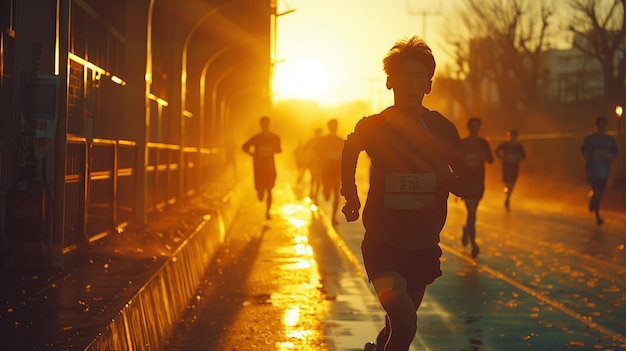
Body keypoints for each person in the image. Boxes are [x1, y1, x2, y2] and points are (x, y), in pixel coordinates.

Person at [340, 36, 480, 351]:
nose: (411, 84)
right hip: (383, 246)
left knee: (396, 327)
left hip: (423, 248)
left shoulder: (441, 129)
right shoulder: (375, 125)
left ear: (429, 85)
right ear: (390, 81)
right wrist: (350, 193)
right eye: (404, 76)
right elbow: (350, 148)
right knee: (405, 325)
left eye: (420, 77)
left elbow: (472, 182)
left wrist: (451, 181)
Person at [461, 117, 493, 258]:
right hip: (468, 182)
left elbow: (490, 160)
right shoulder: (463, 143)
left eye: (477, 126)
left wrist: (482, 155)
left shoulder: (483, 143)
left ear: (479, 128)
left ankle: (467, 230)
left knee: (473, 213)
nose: (474, 129)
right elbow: (458, 163)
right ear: (469, 127)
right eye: (472, 126)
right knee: (472, 213)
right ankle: (474, 244)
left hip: (480, 182)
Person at [242, 116, 282, 220]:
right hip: (259, 167)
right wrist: (253, 155)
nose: (265, 125)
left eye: (267, 123)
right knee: (260, 195)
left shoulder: (275, 137)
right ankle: (260, 191)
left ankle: (268, 212)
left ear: (269, 124)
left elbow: (279, 150)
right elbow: (244, 147)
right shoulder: (256, 138)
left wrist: (272, 150)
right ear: (260, 125)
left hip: (270, 166)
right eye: (263, 123)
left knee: (269, 190)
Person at [580, 115, 617, 225]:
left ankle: (592, 199)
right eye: (599, 125)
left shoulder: (609, 140)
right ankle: (597, 216)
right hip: (592, 170)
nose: (601, 127)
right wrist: (585, 157)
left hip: (604, 171)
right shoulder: (589, 138)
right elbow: (582, 150)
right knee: (597, 191)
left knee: (600, 194)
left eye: (603, 125)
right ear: (596, 126)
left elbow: (615, 151)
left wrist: (612, 157)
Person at [316, 118, 344, 225]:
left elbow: (345, 154)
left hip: (337, 170)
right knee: (327, 195)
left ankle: (333, 217)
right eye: (332, 125)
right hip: (326, 169)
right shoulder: (323, 140)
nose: (334, 127)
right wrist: (323, 157)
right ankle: (325, 190)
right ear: (329, 127)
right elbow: (316, 151)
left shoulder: (340, 140)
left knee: (336, 194)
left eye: (335, 125)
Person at [495, 129, 526, 211]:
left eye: (515, 136)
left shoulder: (519, 146)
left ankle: (507, 198)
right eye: (512, 136)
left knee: (512, 184)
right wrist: (501, 157)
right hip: (506, 167)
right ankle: (507, 195)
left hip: (514, 167)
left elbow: (524, 157)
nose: (514, 138)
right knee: (507, 183)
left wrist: (518, 157)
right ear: (509, 136)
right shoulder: (505, 145)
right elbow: (496, 151)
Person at [304, 127, 324, 201]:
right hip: (312, 162)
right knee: (313, 178)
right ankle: (312, 191)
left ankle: (315, 193)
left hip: (320, 163)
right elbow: (305, 148)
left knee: (318, 179)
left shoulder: (323, 141)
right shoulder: (312, 140)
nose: (318, 134)